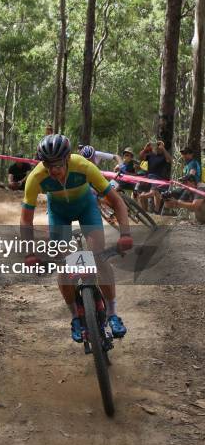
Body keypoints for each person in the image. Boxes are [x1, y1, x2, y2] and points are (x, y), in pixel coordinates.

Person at [21, 134, 133, 343]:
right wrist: (28, 253)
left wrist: (125, 234)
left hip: (86, 208)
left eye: (57, 165)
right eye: (47, 165)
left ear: (67, 159)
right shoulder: (36, 177)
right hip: (59, 214)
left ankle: (112, 313)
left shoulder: (83, 166)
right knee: (65, 265)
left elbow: (117, 202)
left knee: (98, 258)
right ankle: (75, 317)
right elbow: (26, 220)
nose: (53, 171)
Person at [137, 141, 172, 213]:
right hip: (148, 177)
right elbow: (140, 157)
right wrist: (145, 149)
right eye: (157, 145)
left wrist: (163, 149)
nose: (158, 147)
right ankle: (144, 212)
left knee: (154, 192)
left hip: (159, 179)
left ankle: (156, 212)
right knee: (142, 192)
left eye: (160, 145)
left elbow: (170, 160)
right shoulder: (151, 155)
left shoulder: (164, 156)